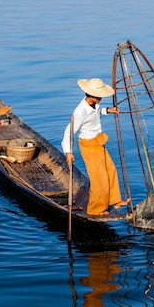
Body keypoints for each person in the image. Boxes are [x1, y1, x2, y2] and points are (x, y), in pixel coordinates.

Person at [62, 78, 130, 217]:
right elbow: (69, 131)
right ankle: (95, 209)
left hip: (98, 141)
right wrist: (68, 152)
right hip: (88, 146)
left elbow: (98, 111)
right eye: (98, 96)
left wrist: (109, 110)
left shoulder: (94, 104)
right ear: (90, 95)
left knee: (111, 170)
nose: (100, 98)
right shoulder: (80, 112)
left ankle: (114, 201)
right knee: (99, 177)